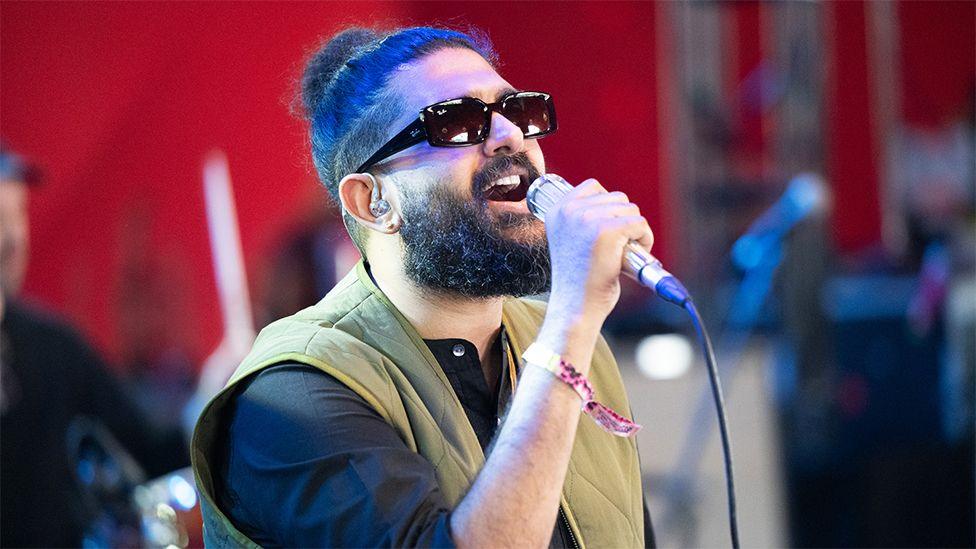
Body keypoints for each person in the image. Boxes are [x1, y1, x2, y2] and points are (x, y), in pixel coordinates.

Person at [192, 26, 657, 548]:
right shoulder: (293, 396)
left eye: (519, 112)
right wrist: (571, 325)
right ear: (373, 202)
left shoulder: (576, 346)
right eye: (457, 122)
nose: (510, 136)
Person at [0, 144, 189, 546]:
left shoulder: (50, 344)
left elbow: (148, 445)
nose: (13, 238)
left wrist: (216, 405)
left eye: (18, 215)